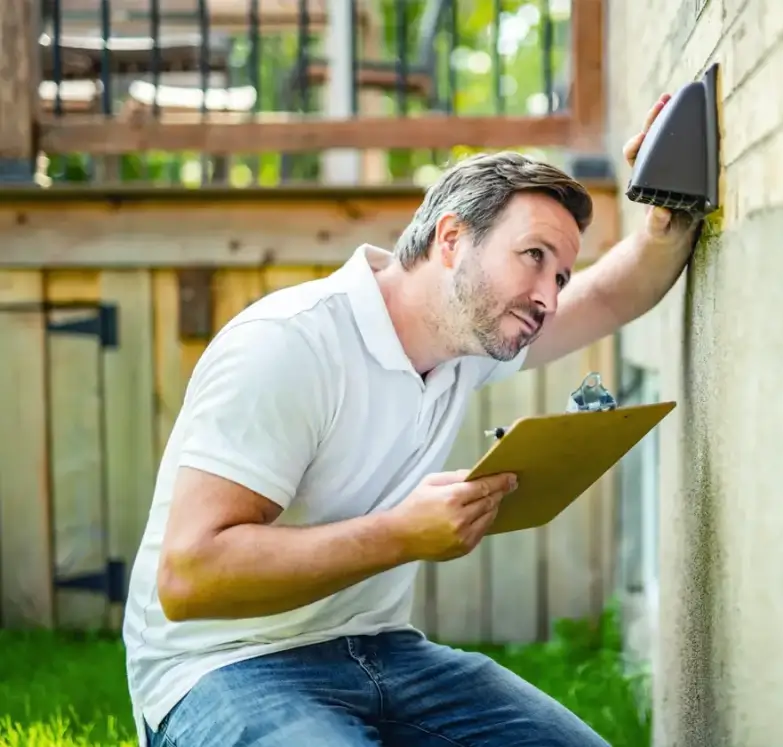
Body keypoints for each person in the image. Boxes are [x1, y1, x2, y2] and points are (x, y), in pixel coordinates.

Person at [122, 93, 698, 747]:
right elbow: (190, 575)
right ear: (451, 239)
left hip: (382, 653)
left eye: (560, 275)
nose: (548, 296)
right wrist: (401, 533)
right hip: (222, 665)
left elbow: (612, 292)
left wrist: (666, 203)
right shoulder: (289, 345)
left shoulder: (467, 345)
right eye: (533, 256)